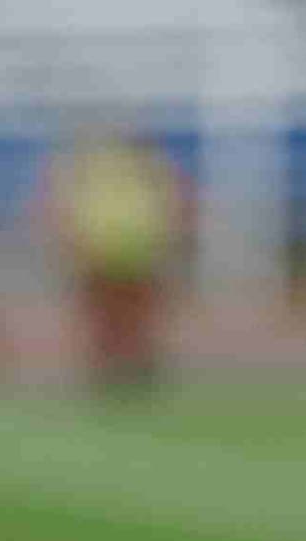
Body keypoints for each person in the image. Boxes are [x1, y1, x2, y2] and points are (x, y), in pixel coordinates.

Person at [44, 124, 187, 389]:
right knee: (105, 318)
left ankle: (136, 368)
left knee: (137, 317)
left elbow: (170, 206)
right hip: (103, 252)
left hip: (139, 253)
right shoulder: (93, 165)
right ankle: (109, 371)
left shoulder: (151, 167)